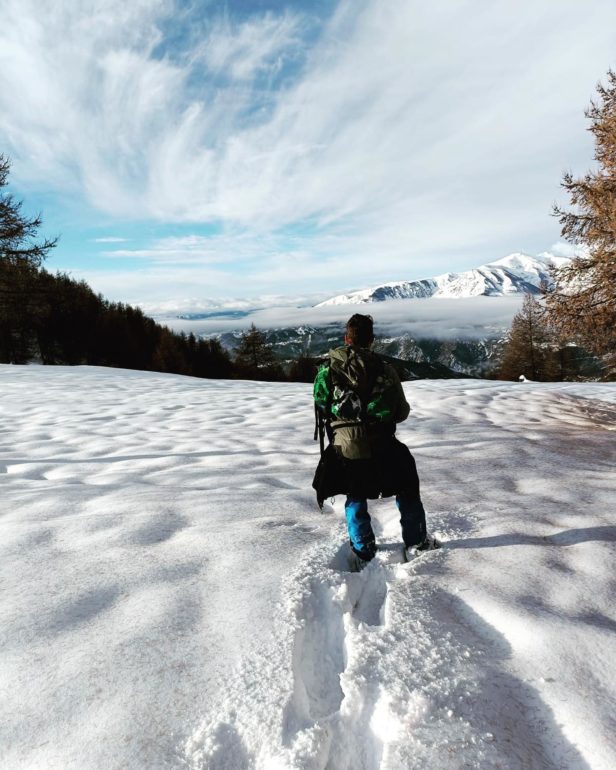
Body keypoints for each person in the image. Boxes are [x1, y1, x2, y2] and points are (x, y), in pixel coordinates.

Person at [312, 313, 439, 568]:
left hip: (345, 446)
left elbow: (321, 406)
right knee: (406, 483)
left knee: (354, 492)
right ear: (372, 340)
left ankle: (363, 551)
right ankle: (415, 541)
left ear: (346, 338)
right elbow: (400, 412)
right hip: (382, 443)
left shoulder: (327, 371)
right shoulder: (385, 370)